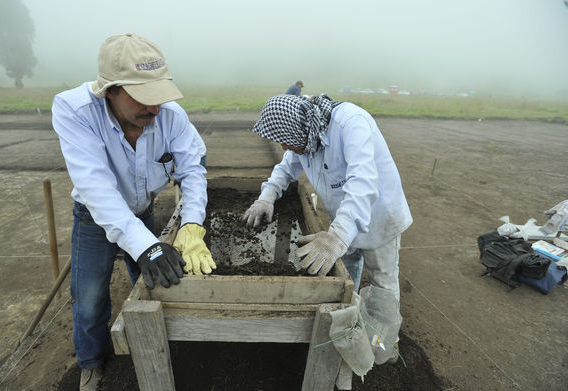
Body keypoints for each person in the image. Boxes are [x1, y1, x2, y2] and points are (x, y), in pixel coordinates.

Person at [51, 33, 216, 390]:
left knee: (152, 277)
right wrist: (148, 246)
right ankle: (92, 362)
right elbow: (97, 190)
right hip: (95, 217)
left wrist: (191, 225)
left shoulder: (170, 116)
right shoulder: (75, 111)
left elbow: (193, 170)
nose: (154, 109)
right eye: (144, 98)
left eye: (159, 98)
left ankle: (153, 335)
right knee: (91, 297)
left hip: (142, 211)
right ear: (110, 90)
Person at [242, 93, 412, 361]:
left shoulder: (350, 124)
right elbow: (285, 168)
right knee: (346, 274)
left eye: (287, 141)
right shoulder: (305, 135)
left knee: (383, 282)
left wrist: (337, 236)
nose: (285, 147)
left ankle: (386, 344)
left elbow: (363, 183)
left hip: (380, 217)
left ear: (299, 129)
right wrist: (267, 196)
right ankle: (349, 323)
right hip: (344, 217)